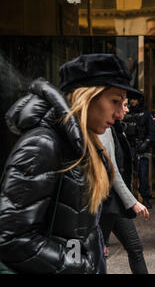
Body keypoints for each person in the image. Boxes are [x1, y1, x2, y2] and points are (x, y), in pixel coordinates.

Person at [0, 53, 141, 273]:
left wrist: (86, 259)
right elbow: (11, 239)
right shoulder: (42, 144)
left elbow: (76, 233)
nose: (120, 114)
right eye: (114, 101)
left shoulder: (86, 145)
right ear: (87, 97)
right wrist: (79, 265)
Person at [99, 98, 150, 274]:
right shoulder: (103, 129)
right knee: (96, 255)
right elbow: (112, 170)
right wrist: (133, 202)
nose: (127, 110)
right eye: (124, 105)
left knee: (135, 247)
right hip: (104, 203)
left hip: (114, 202)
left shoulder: (113, 127)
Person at [123, 97, 155, 210]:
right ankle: (128, 200)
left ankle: (146, 198)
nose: (133, 102)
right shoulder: (125, 112)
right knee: (126, 174)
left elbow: (153, 131)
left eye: (135, 100)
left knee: (143, 175)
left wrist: (146, 143)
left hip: (142, 147)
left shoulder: (145, 114)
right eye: (131, 100)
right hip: (128, 147)